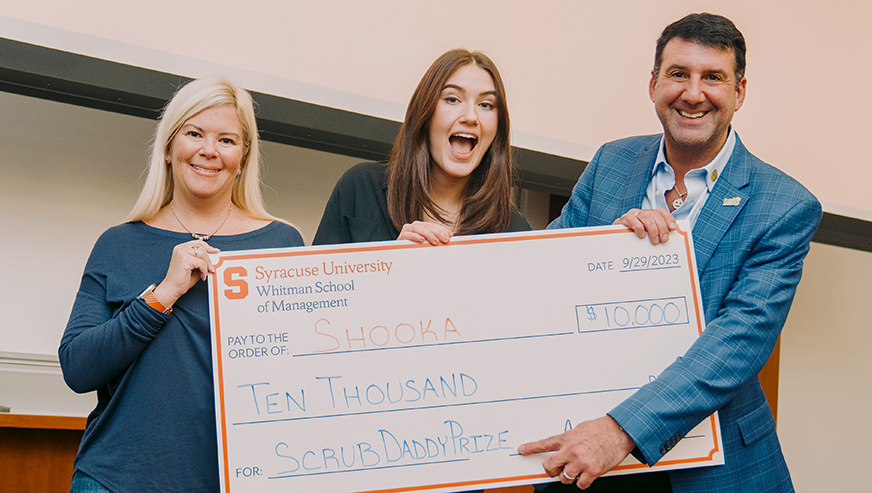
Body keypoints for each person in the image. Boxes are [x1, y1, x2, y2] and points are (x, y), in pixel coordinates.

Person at [519, 13, 821, 493]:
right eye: (679, 74)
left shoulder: (784, 206)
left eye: (713, 78)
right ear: (654, 83)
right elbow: (545, 275)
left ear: (739, 92)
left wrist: (620, 431)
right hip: (588, 462)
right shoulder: (611, 163)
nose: (693, 93)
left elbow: (738, 343)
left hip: (711, 469)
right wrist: (607, 249)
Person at [59, 76, 304, 492]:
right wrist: (161, 295)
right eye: (194, 134)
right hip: (115, 480)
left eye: (227, 140)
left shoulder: (280, 244)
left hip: (238, 481)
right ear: (170, 148)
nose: (209, 150)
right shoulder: (118, 243)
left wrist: (402, 266)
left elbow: (314, 360)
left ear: (243, 157)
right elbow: (78, 368)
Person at [313, 48, 529, 246]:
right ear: (425, 114)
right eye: (453, 99)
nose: (471, 117)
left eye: (485, 105)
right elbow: (323, 286)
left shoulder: (513, 231)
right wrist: (392, 263)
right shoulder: (361, 188)